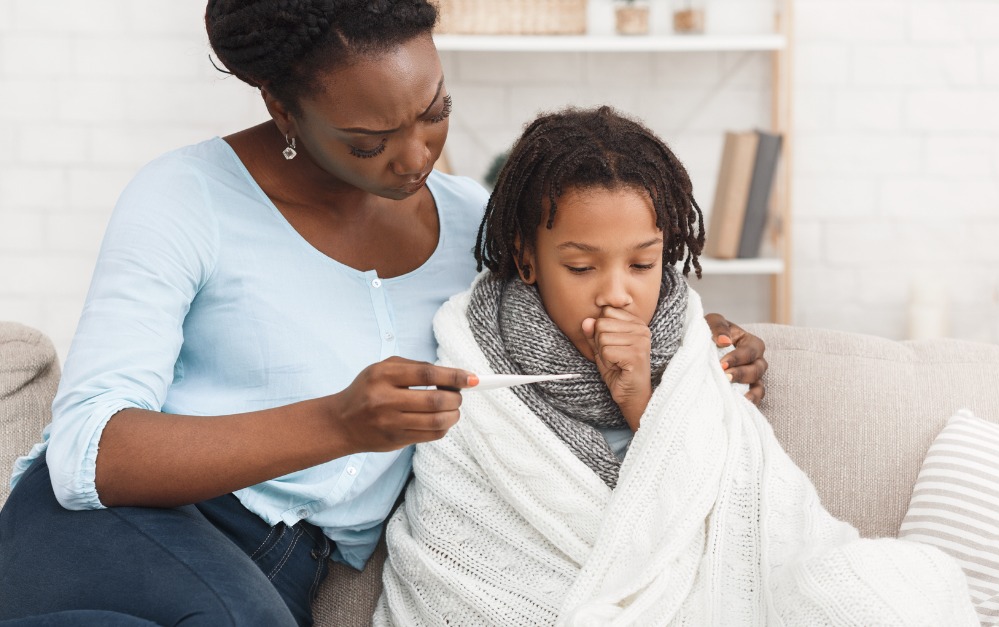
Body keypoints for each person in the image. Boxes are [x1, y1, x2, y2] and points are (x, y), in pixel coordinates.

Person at [0, 2, 768, 626]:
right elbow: (85, 454)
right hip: (115, 531)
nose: (414, 156)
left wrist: (698, 344)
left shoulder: (481, 225)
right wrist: (337, 422)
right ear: (282, 109)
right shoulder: (185, 198)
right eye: (368, 141)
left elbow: (589, 299)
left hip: (283, 568)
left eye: (434, 111)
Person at [373, 106, 979, 626]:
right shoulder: (472, 353)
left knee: (895, 586)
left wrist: (642, 396)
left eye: (642, 265)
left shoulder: (693, 343)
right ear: (526, 258)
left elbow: (747, 510)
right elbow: (460, 538)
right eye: (582, 268)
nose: (618, 293)